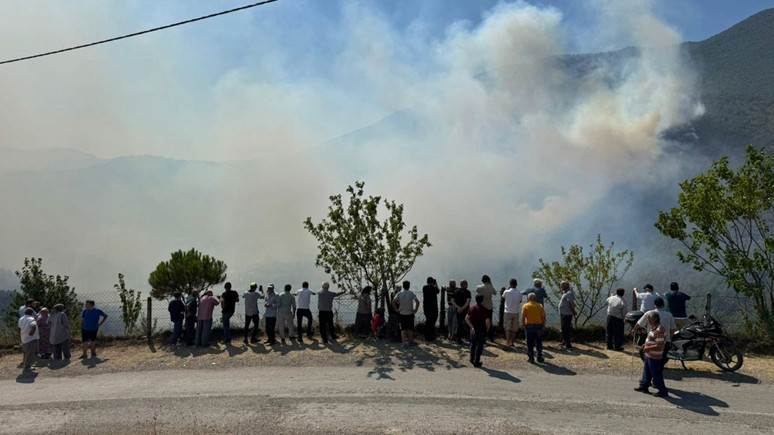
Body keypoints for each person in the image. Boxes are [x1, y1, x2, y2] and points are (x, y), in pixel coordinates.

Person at [634, 311, 669, 397]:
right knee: (647, 372)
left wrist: (648, 348)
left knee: (656, 374)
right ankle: (644, 386)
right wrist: (645, 344)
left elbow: (660, 345)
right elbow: (653, 340)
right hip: (649, 355)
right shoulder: (654, 328)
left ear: (653, 320)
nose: (647, 321)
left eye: (648, 319)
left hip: (655, 356)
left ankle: (663, 391)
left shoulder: (659, 330)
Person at [635, 297, 676, 369]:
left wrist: (634, 330)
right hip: (664, 341)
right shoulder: (669, 315)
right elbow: (673, 328)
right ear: (663, 305)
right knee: (661, 359)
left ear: (654, 305)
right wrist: (669, 339)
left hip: (651, 341)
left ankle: (650, 375)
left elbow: (639, 324)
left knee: (650, 359)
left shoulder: (649, 313)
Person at [466, 294, 491, 368]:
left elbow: (467, 318)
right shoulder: (485, 310)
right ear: (482, 300)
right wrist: (488, 328)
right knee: (480, 345)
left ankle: (471, 358)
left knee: (473, 344)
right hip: (482, 329)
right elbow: (487, 321)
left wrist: (471, 326)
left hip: (473, 328)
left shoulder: (471, 308)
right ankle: (476, 361)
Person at [392, 280, 420, 347]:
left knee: (403, 329)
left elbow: (393, 301)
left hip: (402, 313)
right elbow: (417, 302)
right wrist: (415, 309)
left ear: (403, 286)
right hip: (410, 313)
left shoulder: (399, 293)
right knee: (410, 328)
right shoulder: (411, 293)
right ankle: (410, 341)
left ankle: (404, 342)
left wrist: (396, 309)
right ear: (409, 286)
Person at [522, 293, 546, 363]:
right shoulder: (540, 306)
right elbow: (543, 317)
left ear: (528, 299)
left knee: (529, 343)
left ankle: (531, 358)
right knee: (539, 342)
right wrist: (544, 325)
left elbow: (523, 317)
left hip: (529, 326)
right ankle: (539, 357)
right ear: (535, 299)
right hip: (538, 326)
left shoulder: (525, 306)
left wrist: (524, 325)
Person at [475, 275, 497, 341]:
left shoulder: (479, 287)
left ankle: (482, 336)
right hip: (489, 307)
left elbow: (477, 290)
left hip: (481, 307)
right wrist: (490, 284)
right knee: (489, 322)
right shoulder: (490, 288)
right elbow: (495, 293)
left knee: (481, 322)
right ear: (488, 280)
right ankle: (490, 337)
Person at [502, 278, 522, 348]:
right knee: (514, 328)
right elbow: (520, 301)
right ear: (516, 285)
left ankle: (507, 342)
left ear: (510, 284)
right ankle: (512, 342)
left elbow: (503, 297)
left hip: (508, 311)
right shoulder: (519, 293)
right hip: (516, 311)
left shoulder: (506, 292)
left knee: (507, 328)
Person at [451, 280, 472, 344]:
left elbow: (452, 300)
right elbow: (468, 301)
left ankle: (459, 339)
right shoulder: (468, 292)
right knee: (468, 323)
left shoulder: (456, 291)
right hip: (466, 310)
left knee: (459, 324)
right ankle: (469, 337)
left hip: (458, 310)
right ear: (465, 285)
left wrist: (458, 307)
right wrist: (463, 308)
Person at [558, 281, 576, 349]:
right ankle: (564, 342)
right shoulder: (566, 293)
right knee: (564, 328)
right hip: (564, 313)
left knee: (565, 329)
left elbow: (572, 303)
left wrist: (573, 311)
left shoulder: (569, 293)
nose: (561, 286)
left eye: (562, 285)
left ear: (566, 286)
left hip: (566, 314)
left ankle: (568, 345)